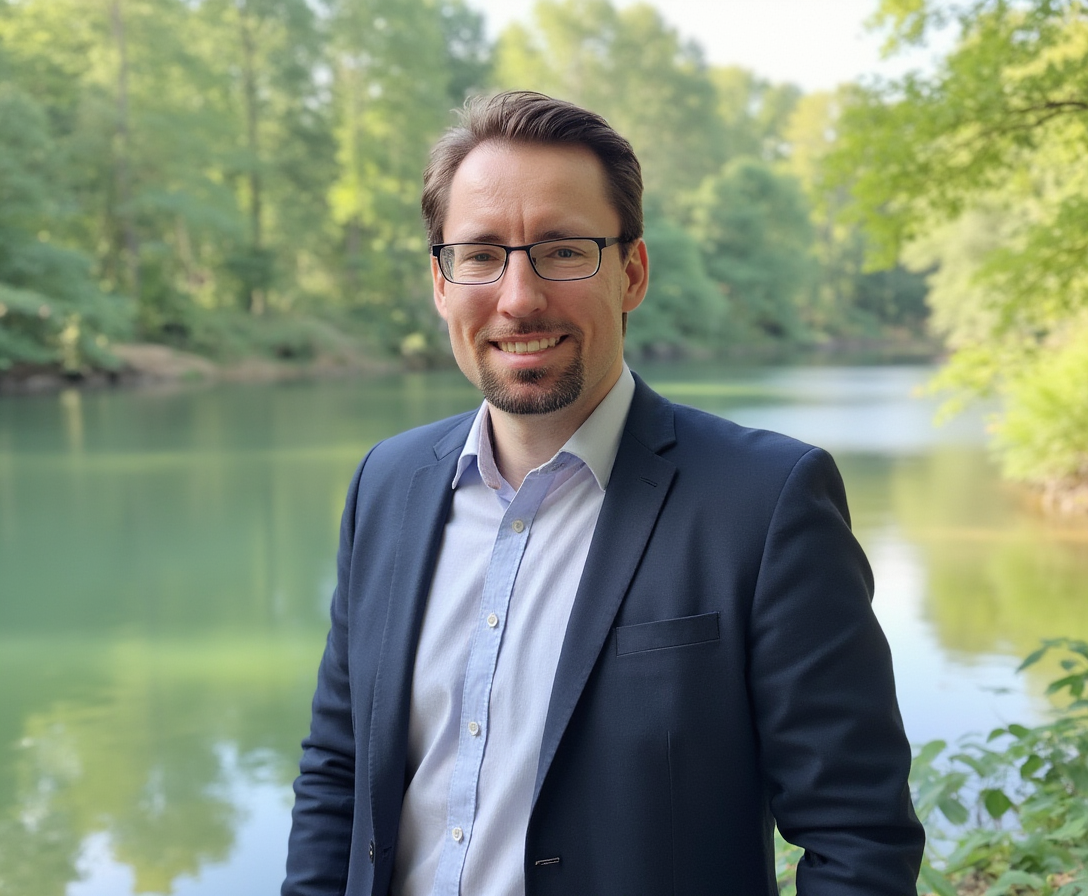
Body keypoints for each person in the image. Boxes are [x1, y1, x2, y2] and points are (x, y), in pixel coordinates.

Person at [282, 90, 924, 896]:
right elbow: (337, 772)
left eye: (562, 251)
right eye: (480, 254)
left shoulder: (765, 505)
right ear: (442, 282)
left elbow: (858, 836)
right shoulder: (388, 484)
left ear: (632, 273)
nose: (519, 297)